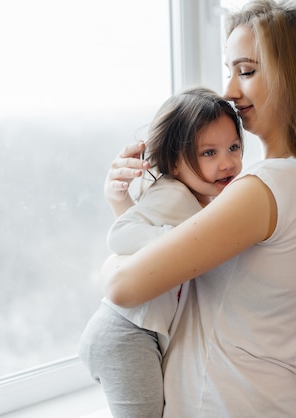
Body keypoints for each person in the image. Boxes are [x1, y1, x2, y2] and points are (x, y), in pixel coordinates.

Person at [101, 1, 296, 416]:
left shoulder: (265, 188)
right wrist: (124, 205)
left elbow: (123, 287)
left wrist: (115, 255)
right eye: (228, 70)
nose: (228, 91)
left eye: (246, 71)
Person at [78, 87, 243, 417]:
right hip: (126, 332)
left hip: (140, 334)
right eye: (209, 153)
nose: (227, 162)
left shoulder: (201, 200)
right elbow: (121, 236)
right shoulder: (174, 194)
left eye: (234, 147)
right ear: (176, 164)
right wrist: (182, 242)